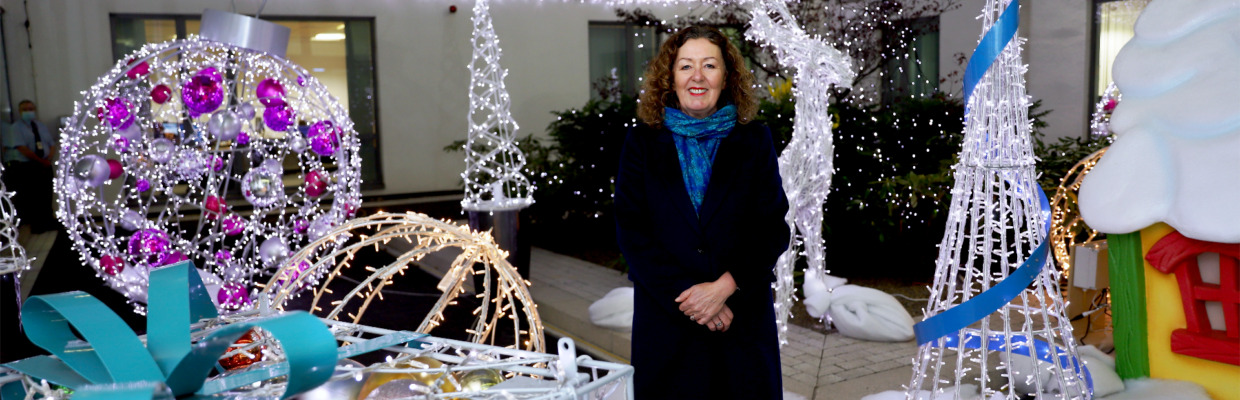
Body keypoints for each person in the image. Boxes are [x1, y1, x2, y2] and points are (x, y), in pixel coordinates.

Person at [615, 26, 790, 398]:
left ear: (726, 77)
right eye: (686, 66)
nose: (697, 76)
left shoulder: (755, 140)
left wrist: (724, 288)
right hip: (668, 324)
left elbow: (772, 228)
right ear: (670, 77)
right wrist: (695, 300)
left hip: (740, 323)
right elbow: (632, 231)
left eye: (709, 65)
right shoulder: (642, 142)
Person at [3, 100, 58, 233]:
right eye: (26, 109)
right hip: (28, 166)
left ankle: (48, 221)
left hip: (45, 164)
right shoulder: (16, 127)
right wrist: (39, 160)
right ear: (20, 112)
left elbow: (51, 143)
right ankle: (37, 225)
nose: (29, 111)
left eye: (31, 109)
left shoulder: (40, 125)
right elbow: (22, 147)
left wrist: (48, 158)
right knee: (33, 196)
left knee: (46, 194)